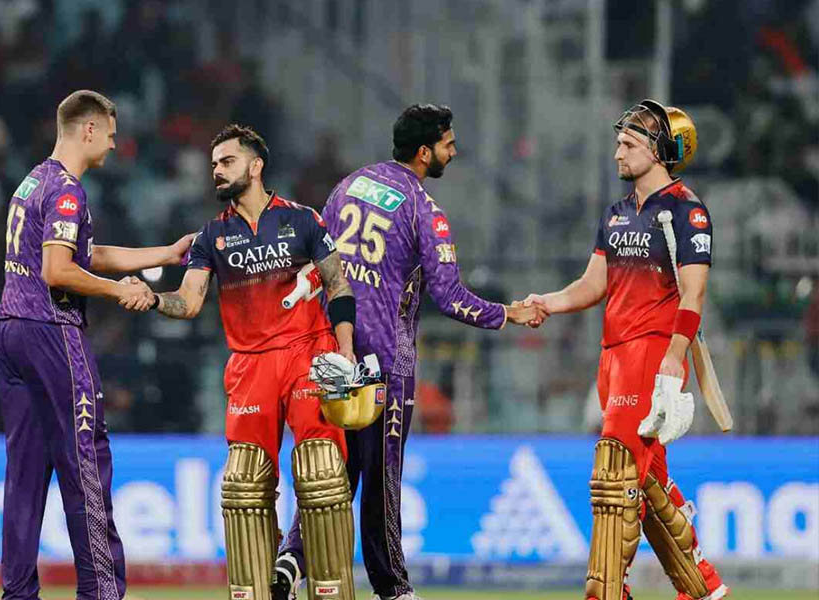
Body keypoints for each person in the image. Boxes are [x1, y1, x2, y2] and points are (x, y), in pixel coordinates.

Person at [275, 104, 543, 600]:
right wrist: (509, 313)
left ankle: (291, 561)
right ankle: (394, 589)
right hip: (384, 363)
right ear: (424, 152)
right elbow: (451, 297)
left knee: (337, 473)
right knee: (382, 481)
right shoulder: (424, 210)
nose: (453, 151)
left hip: (332, 351)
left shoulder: (349, 185)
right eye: (448, 143)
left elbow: (318, 261)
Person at [522, 99, 729, 600]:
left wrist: (673, 359)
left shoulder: (686, 211)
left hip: (652, 353)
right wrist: (547, 302)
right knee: (648, 482)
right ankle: (704, 587)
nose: (617, 152)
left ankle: (607, 592)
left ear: (658, 151)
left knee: (614, 473)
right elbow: (593, 285)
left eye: (628, 143)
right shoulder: (615, 215)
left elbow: (694, 294)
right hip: (612, 354)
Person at [0, 90, 194, 600]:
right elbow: (58, 270)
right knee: (86, 462)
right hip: (53, 331)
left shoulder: (32, 181)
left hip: (11, 329)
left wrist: (164, 254)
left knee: (24, 474)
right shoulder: (67, 190)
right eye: (110, 134)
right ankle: (102, 592)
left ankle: (18, 594)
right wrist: (118, 291)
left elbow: (88, 254)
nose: (114, 144)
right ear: (88, 129)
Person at [152, 124, 359, 600]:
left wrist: (345, 349)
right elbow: (189, 301)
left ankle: (331, 592)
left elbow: (338, 285)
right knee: (244, 483)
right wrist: (153, 299)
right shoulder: (210, 237)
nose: (217, 171)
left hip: (310, 353)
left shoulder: (303, 220)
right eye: (214, 165)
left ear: (256, 165)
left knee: (322, 472)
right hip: (250, 364)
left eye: (227, 161)